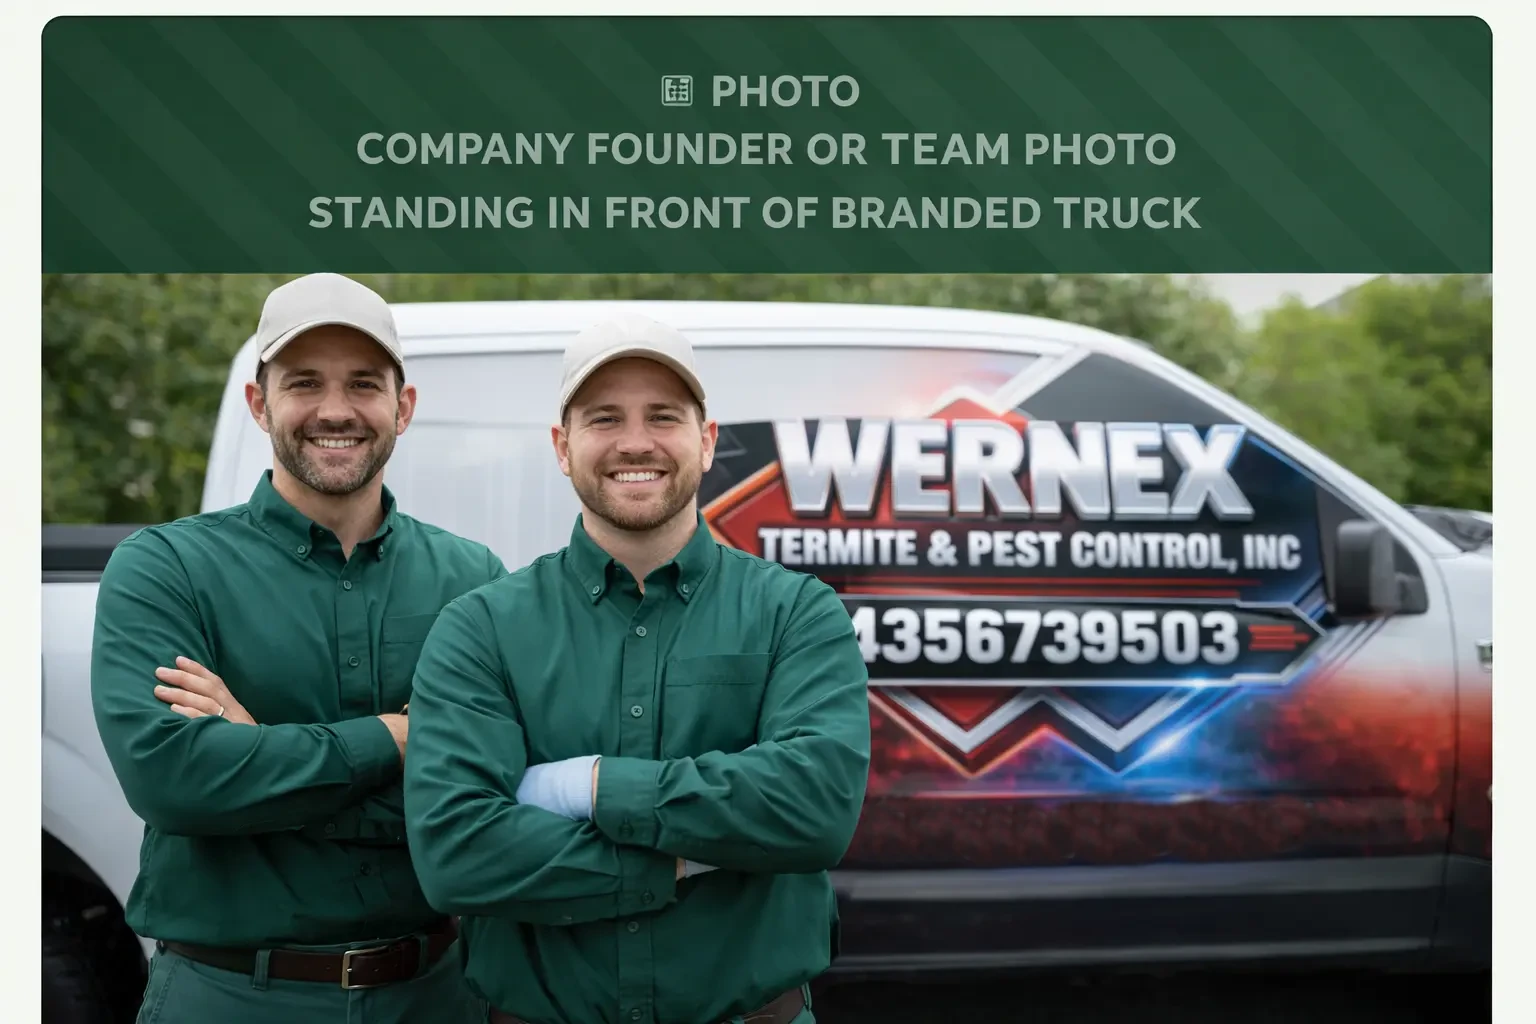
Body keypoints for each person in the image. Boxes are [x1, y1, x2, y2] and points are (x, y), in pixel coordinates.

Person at [402, 313, 873, 1024]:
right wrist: (681, 860)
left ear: (706, 441)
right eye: (603, 418)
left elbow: (812, 809)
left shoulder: (796, 613)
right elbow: (458, 853)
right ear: (562, 447)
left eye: (663, 416)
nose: (634, 442)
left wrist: (585, 786)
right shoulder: (483, 627)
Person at [90, 273, 504, 1023]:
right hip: (228, 997)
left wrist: (260, 758)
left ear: (402, 407)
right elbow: (173, 782)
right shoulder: (165, 568)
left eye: (364, 384)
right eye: (304, 382)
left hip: (436, 998)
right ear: (260, 402)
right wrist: (398, 737)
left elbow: (494, 794)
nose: (336, 410)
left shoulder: (472, 579)